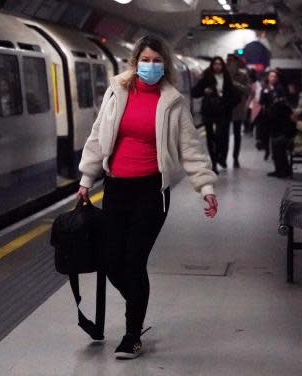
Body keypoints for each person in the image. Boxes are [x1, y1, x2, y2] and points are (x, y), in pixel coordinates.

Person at [77, 35, 218, 359]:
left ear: (165, 65)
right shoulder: (118, 91)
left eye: (157, 61)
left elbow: (191, 149)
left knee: (133, 260)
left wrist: (206, 187)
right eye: (146, 60)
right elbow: (99, 136)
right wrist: (87, 177)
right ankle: (137, 307)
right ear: (135, 62)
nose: (150, 66)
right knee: (112, 262)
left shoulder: (173, 102)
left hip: (151, 191)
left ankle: (131, 334)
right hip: (115, 188)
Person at [191, 56, 239, 173]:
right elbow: (194, 92)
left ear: (222, 66)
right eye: (215, 64)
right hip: (209, 112)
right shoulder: (206, 77)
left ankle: (219, 156)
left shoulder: (227, 78)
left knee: (221, 137)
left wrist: (227, 104)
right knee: (210, 137)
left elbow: (236, 97)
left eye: (219, 64)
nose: (217, 66)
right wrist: (204, 91)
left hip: (223, 112)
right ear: (212, 65)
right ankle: (213, 163)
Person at [226, 54, 251, 168]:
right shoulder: (223, 74)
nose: (229, 62)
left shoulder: (243, 75)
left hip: (237, 108)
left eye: (231, 61)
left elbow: (247, 90)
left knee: (237, 134)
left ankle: (235, 158)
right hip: (224, 108)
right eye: (228, 61)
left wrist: (234, 83)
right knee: (223, 135)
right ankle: (223, 157)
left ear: (236, 62)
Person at [257, 70, 288, 160]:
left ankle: (276, 153)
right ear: (268, 77)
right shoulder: (265, 88)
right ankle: (267, 151)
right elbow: (261, 101)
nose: (272, 78)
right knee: (266, 135)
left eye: (274, 76)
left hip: (277, 115)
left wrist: (279, 100)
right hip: (267, 114)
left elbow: (284, 99)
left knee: (275, 135)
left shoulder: (280, 88)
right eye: (271, 76)